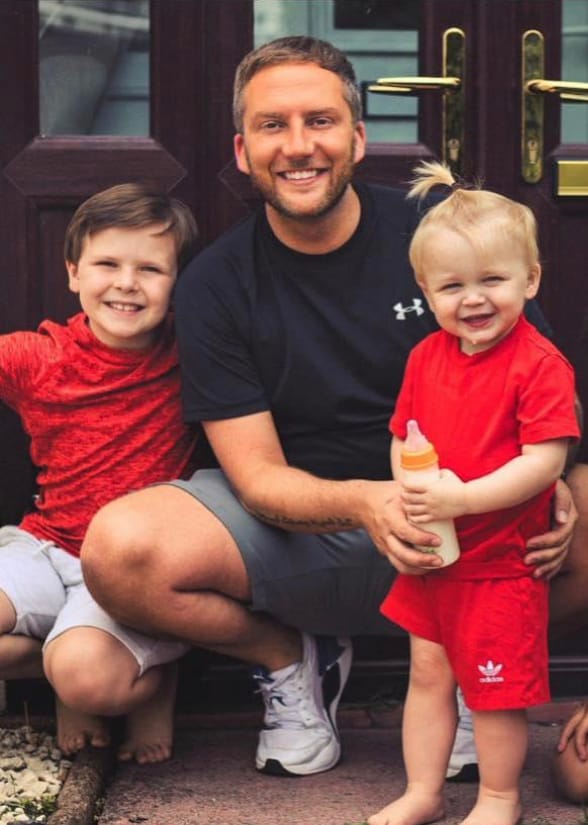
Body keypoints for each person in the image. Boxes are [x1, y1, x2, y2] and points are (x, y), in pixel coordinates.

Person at [80, 36, 578, 779]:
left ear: (358, 138)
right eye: (272, 126)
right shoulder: (217, 282)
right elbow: (257, 477)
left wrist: (551, 476)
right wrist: (371, 503)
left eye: (320, 120)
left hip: (474, 518)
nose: (298, 146)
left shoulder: (440, 234)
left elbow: (539, 382)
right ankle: (291, 659)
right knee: (120, 551)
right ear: (243, 151)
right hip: (302, 531)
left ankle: (475, 670)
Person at [370, 160, 579, 825]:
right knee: (428, 675)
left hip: (499, 564)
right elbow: (405, 436)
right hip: (435, 557)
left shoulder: (538, 364)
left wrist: (461, 500)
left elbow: (544, 461)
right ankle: (423, 791)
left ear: (530, 280)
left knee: (494, 694)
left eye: (493, 280)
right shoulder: (425, 356)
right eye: (453, 285)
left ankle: (498, 798)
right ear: (426, 291)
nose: (474, 299)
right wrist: (408, 488)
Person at [0, 183, 199, 763]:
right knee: (73, 666)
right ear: (73, 273)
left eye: (150, 269)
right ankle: (64, 657)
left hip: (130, 576)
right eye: (107, 264)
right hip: (45, 549)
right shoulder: (40, 357)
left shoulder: (193, 355)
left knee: (89, 680)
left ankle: (139, 681)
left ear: (177, 282)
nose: (127, 282)